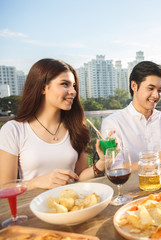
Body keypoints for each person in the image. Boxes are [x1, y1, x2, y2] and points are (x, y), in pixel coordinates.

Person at [0, 58, 105, 190]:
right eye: (65, 84)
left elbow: (79, 176)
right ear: (43, 88)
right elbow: (3, 188)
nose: (73, 92)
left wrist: (102, 163)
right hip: (32, 207)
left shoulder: (77, 127)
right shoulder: (14, 130)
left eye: (74, 86)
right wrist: (36, 182)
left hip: (72, 206)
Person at [101, 61, 161, 166]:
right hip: (132, 182)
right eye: (150, 88)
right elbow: (114, 167)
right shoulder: (113, 123)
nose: (156, 95)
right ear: (134, 86)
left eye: (160, 90)